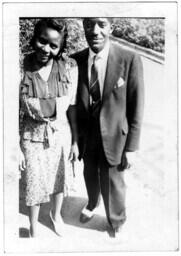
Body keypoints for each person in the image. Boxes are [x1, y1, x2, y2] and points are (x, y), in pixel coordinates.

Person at [72, 18, 144, 237]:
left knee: (113, 180)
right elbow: (71, 102)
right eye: (90, 25)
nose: (95, 31)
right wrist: (73, 139)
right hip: (88, 132)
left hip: (114, 133)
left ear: (111, 27)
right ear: (83, 27)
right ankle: (93, 203)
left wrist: (131, 148)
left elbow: (137, 104)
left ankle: (116, 219)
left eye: (101, 24)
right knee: (89, 173)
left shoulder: (129, 59)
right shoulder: (76, 60)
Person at [19, 18, 79, 237]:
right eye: (42, 41)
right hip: (31, 134)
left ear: (60, 47)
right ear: (35, 38)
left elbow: (71, 106)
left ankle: (56, 216)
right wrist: (15, 147)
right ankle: (33, 228)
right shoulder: (21, 65)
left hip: (60, 133)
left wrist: (74, 141)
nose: (46, 49)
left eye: (54, 45)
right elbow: (10, 108)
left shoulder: (70, 68)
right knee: (34, 183)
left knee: (58, 178)